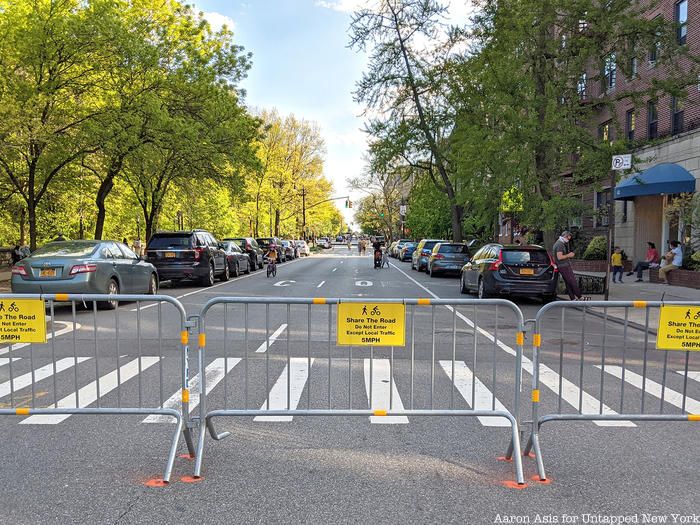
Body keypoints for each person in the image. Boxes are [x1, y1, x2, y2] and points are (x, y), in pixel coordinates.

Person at [553, 230, 587, 301]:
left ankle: (572, 298)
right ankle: (579, 296)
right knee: (572, 281)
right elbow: (559, 257)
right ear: (565, 236)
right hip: (564, 266)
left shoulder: (557, 243)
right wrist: (569, 255)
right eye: (568, 238)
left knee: (568, 282)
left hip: (561, 266)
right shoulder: (560, 244)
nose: (568, 240)